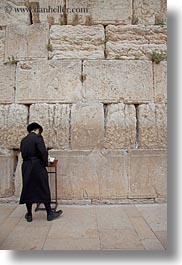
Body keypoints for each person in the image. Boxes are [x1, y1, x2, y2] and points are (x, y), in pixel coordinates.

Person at [19, 122, 63, 222]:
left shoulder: (23, 140)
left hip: (26, 166)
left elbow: (23, 154)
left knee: (28, 188)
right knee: (43, 187)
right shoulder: (38, 138)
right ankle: (49, 213)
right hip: (37, 166)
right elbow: (43, 152)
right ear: (37, 130)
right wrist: (46, 163)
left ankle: (29, 215)